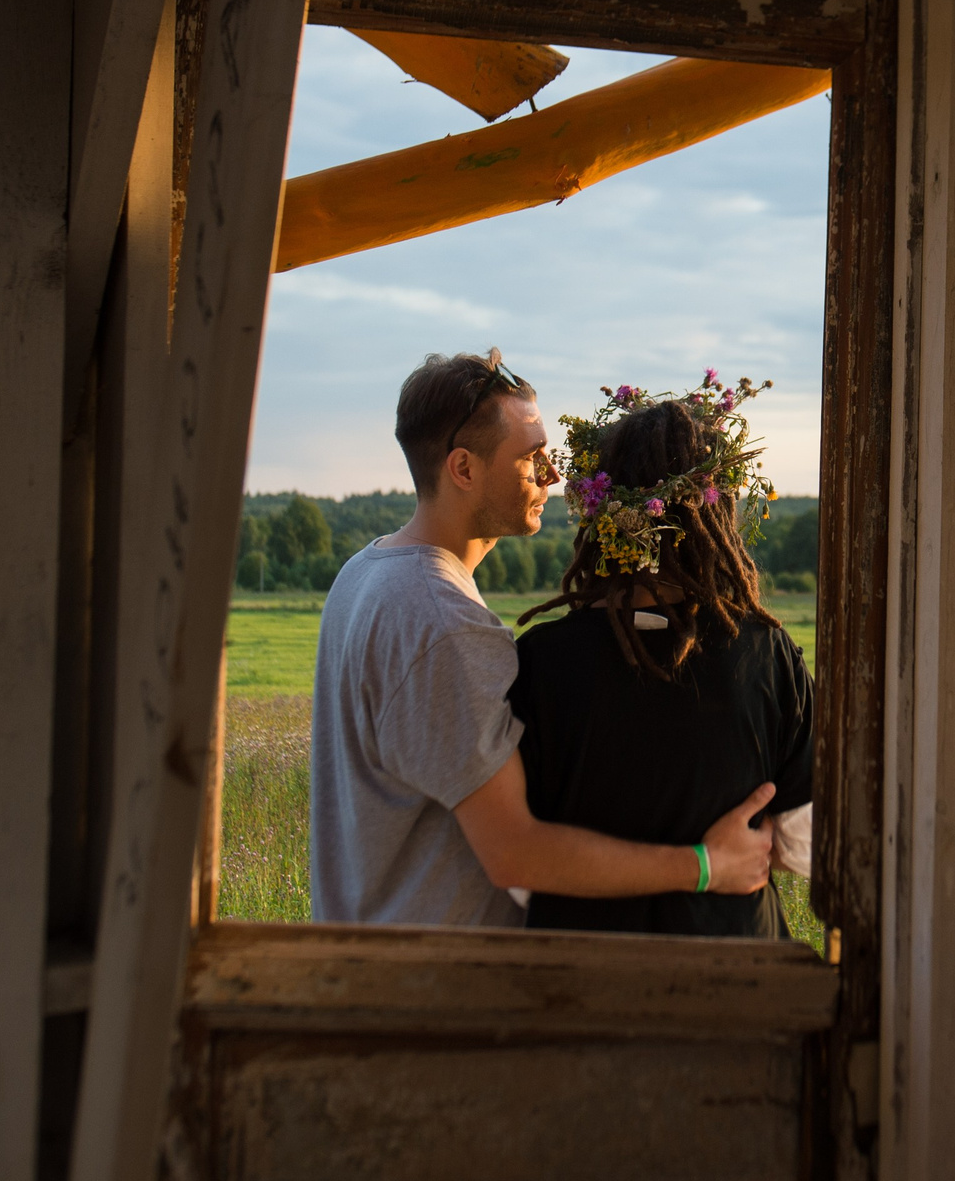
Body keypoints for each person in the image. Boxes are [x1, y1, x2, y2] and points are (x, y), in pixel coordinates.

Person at [310, 350, 778, 927]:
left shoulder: (365, 571)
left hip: (367, 958)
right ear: (463, 468)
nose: (554, 476)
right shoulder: (443, 622)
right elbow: (516, 855)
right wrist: (706, 867)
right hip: (432, 990)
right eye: (531, 458)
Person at [508, 372, 814, 938]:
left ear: (602, 520)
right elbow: (804, 845)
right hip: (736, 982)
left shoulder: (537, 663)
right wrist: (705, 864)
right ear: (712, 519)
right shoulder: (769, 656)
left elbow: (519, 874)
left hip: (575, 984)